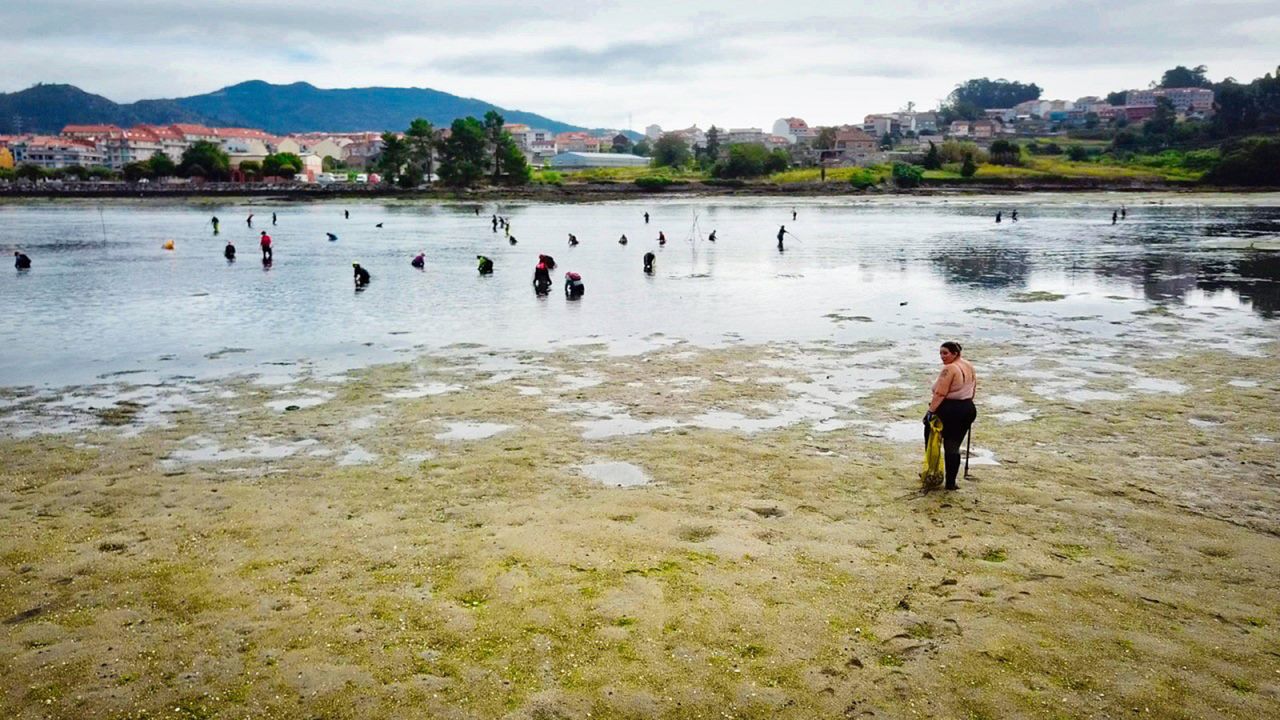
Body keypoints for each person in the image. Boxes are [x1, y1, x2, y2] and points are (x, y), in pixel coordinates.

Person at [924, 341, 978, 490]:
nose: (942, 356)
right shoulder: (968, 365)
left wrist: (930, 412)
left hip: (950, 409)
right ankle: (951, 483)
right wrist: (967, 405)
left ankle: (932, 472)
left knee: (931, 437)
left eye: (945, 353)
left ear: (955, 354)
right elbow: (974, 387)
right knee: (953, 446)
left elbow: (940, 393)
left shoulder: (949, 369)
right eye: (940, 353)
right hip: (967, 408)